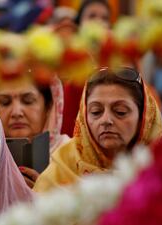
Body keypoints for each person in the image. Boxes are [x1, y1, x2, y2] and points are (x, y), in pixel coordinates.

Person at [34, 67, 162, 192]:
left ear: (144, 118)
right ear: (84, 117)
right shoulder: (61, 170)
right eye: (96, 112)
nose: (106, 120)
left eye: (120, 112)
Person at [0, 75, 69, 188]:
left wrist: (46, 191)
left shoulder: (71, 154)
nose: (16, 112)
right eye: (5, 102)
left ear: (49, 106)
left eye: (28, 101)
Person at [62, 0, 112, 137]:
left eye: (104, 18)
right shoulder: (66, 60)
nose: (98, 22)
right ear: (78, 25)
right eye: (92, 16)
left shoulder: (119, 63)